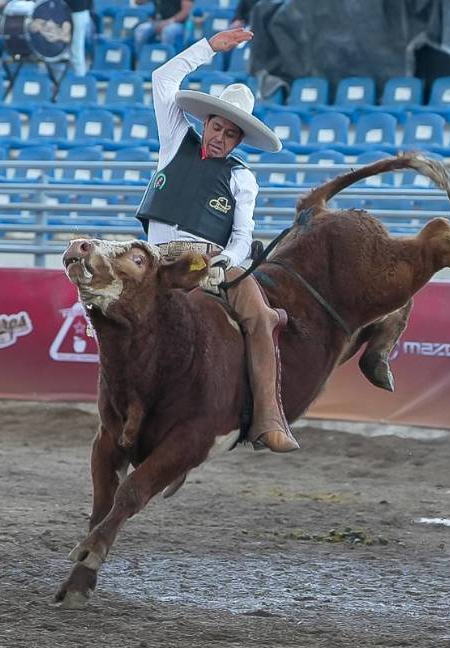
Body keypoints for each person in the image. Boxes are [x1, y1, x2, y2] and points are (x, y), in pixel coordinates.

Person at [135, 28, 299, 453]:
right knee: (101, 279)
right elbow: (163, 79)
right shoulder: (174, 139)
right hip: (155, 259)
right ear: (205, 121)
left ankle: (267, 417)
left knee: (260, 315)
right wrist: (208, 47)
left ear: (238, 140)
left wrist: (223, 262)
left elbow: (243, 235)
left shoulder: (243, 177)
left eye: (229, 134)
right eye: (216, 127)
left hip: (210, 261)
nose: (219, 137)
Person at [67, 0, 94, 76]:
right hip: (77, 11)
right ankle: (79, 75)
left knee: (77, 49)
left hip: (78, 12)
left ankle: (80, 77)